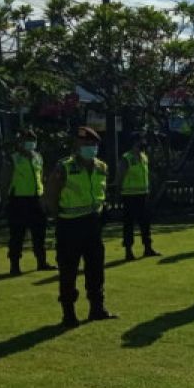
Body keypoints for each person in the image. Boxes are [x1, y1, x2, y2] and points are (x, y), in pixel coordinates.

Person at [43, 126, 117, 327]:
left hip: (93, 224)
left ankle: (97, 308)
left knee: (96, 269)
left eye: (93, 144)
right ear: (77, 145)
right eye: (86, 144)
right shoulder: (64, 167)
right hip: (70, 225)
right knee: (68, 271)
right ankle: (69, 313)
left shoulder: (102, 167)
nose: (90, 148)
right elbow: (51, 195)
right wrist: (58, 216)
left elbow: (101, 193)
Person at [1, 128, 53, 275]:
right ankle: (15, 265)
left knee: (39, 233)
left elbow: (41, 177)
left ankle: (41, 262)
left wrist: (45, 198)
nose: (30, 143)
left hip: (37, 199)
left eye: (32, 140)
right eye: (27, 140)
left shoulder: (38, 157)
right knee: (17, 235)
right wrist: (5, 200)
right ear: (20, 142)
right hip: (18, 200)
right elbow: (5, 180)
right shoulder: (12, 158)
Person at [120, 132, 159, 260]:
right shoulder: (127, 158)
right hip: (130, 195)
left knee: (145, 223)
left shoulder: (143, 157)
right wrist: (118, 190)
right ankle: (128, 251)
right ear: (134, 142)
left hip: (143, 194)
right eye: (141, 141)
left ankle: (148, 248)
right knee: (129, 224)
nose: (143, 143)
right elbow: (120, 175)